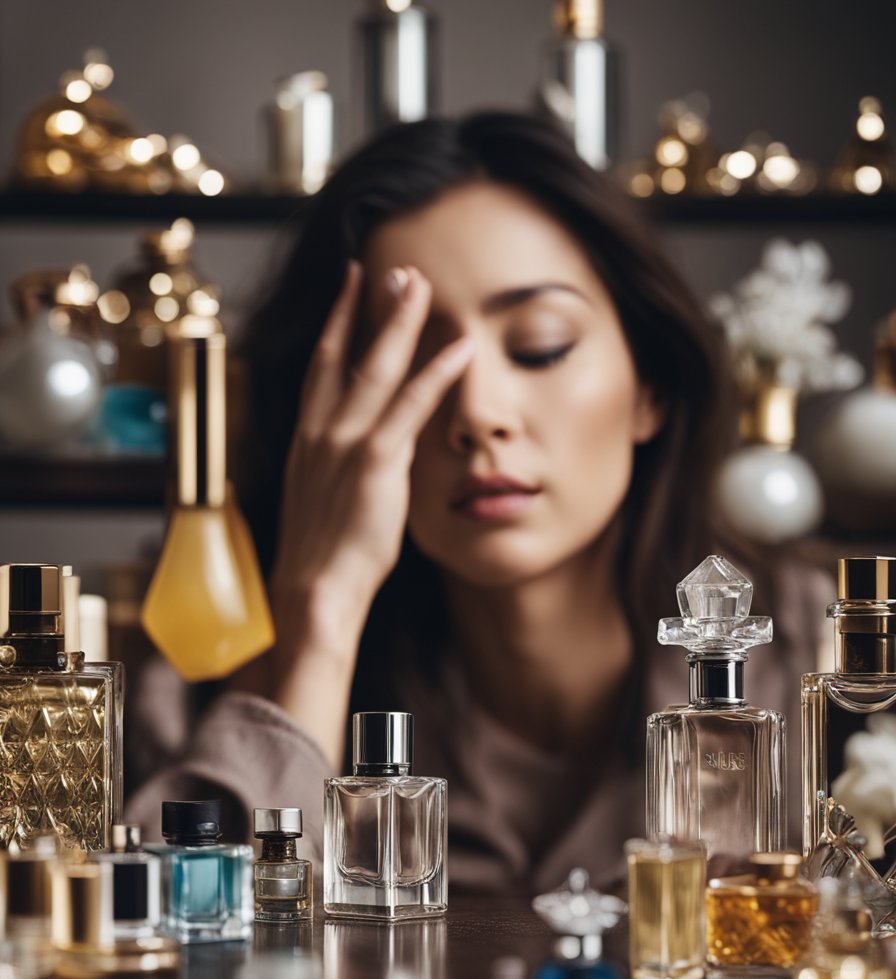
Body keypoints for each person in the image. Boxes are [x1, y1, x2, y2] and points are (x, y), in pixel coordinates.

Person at [125, 111, 831, 894]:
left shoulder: (832, 671)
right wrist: (319, 614)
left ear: (650, 386)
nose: (478, 413)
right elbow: (166, 959)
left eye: (540, 345)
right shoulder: (202, 686)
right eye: (412, 367)